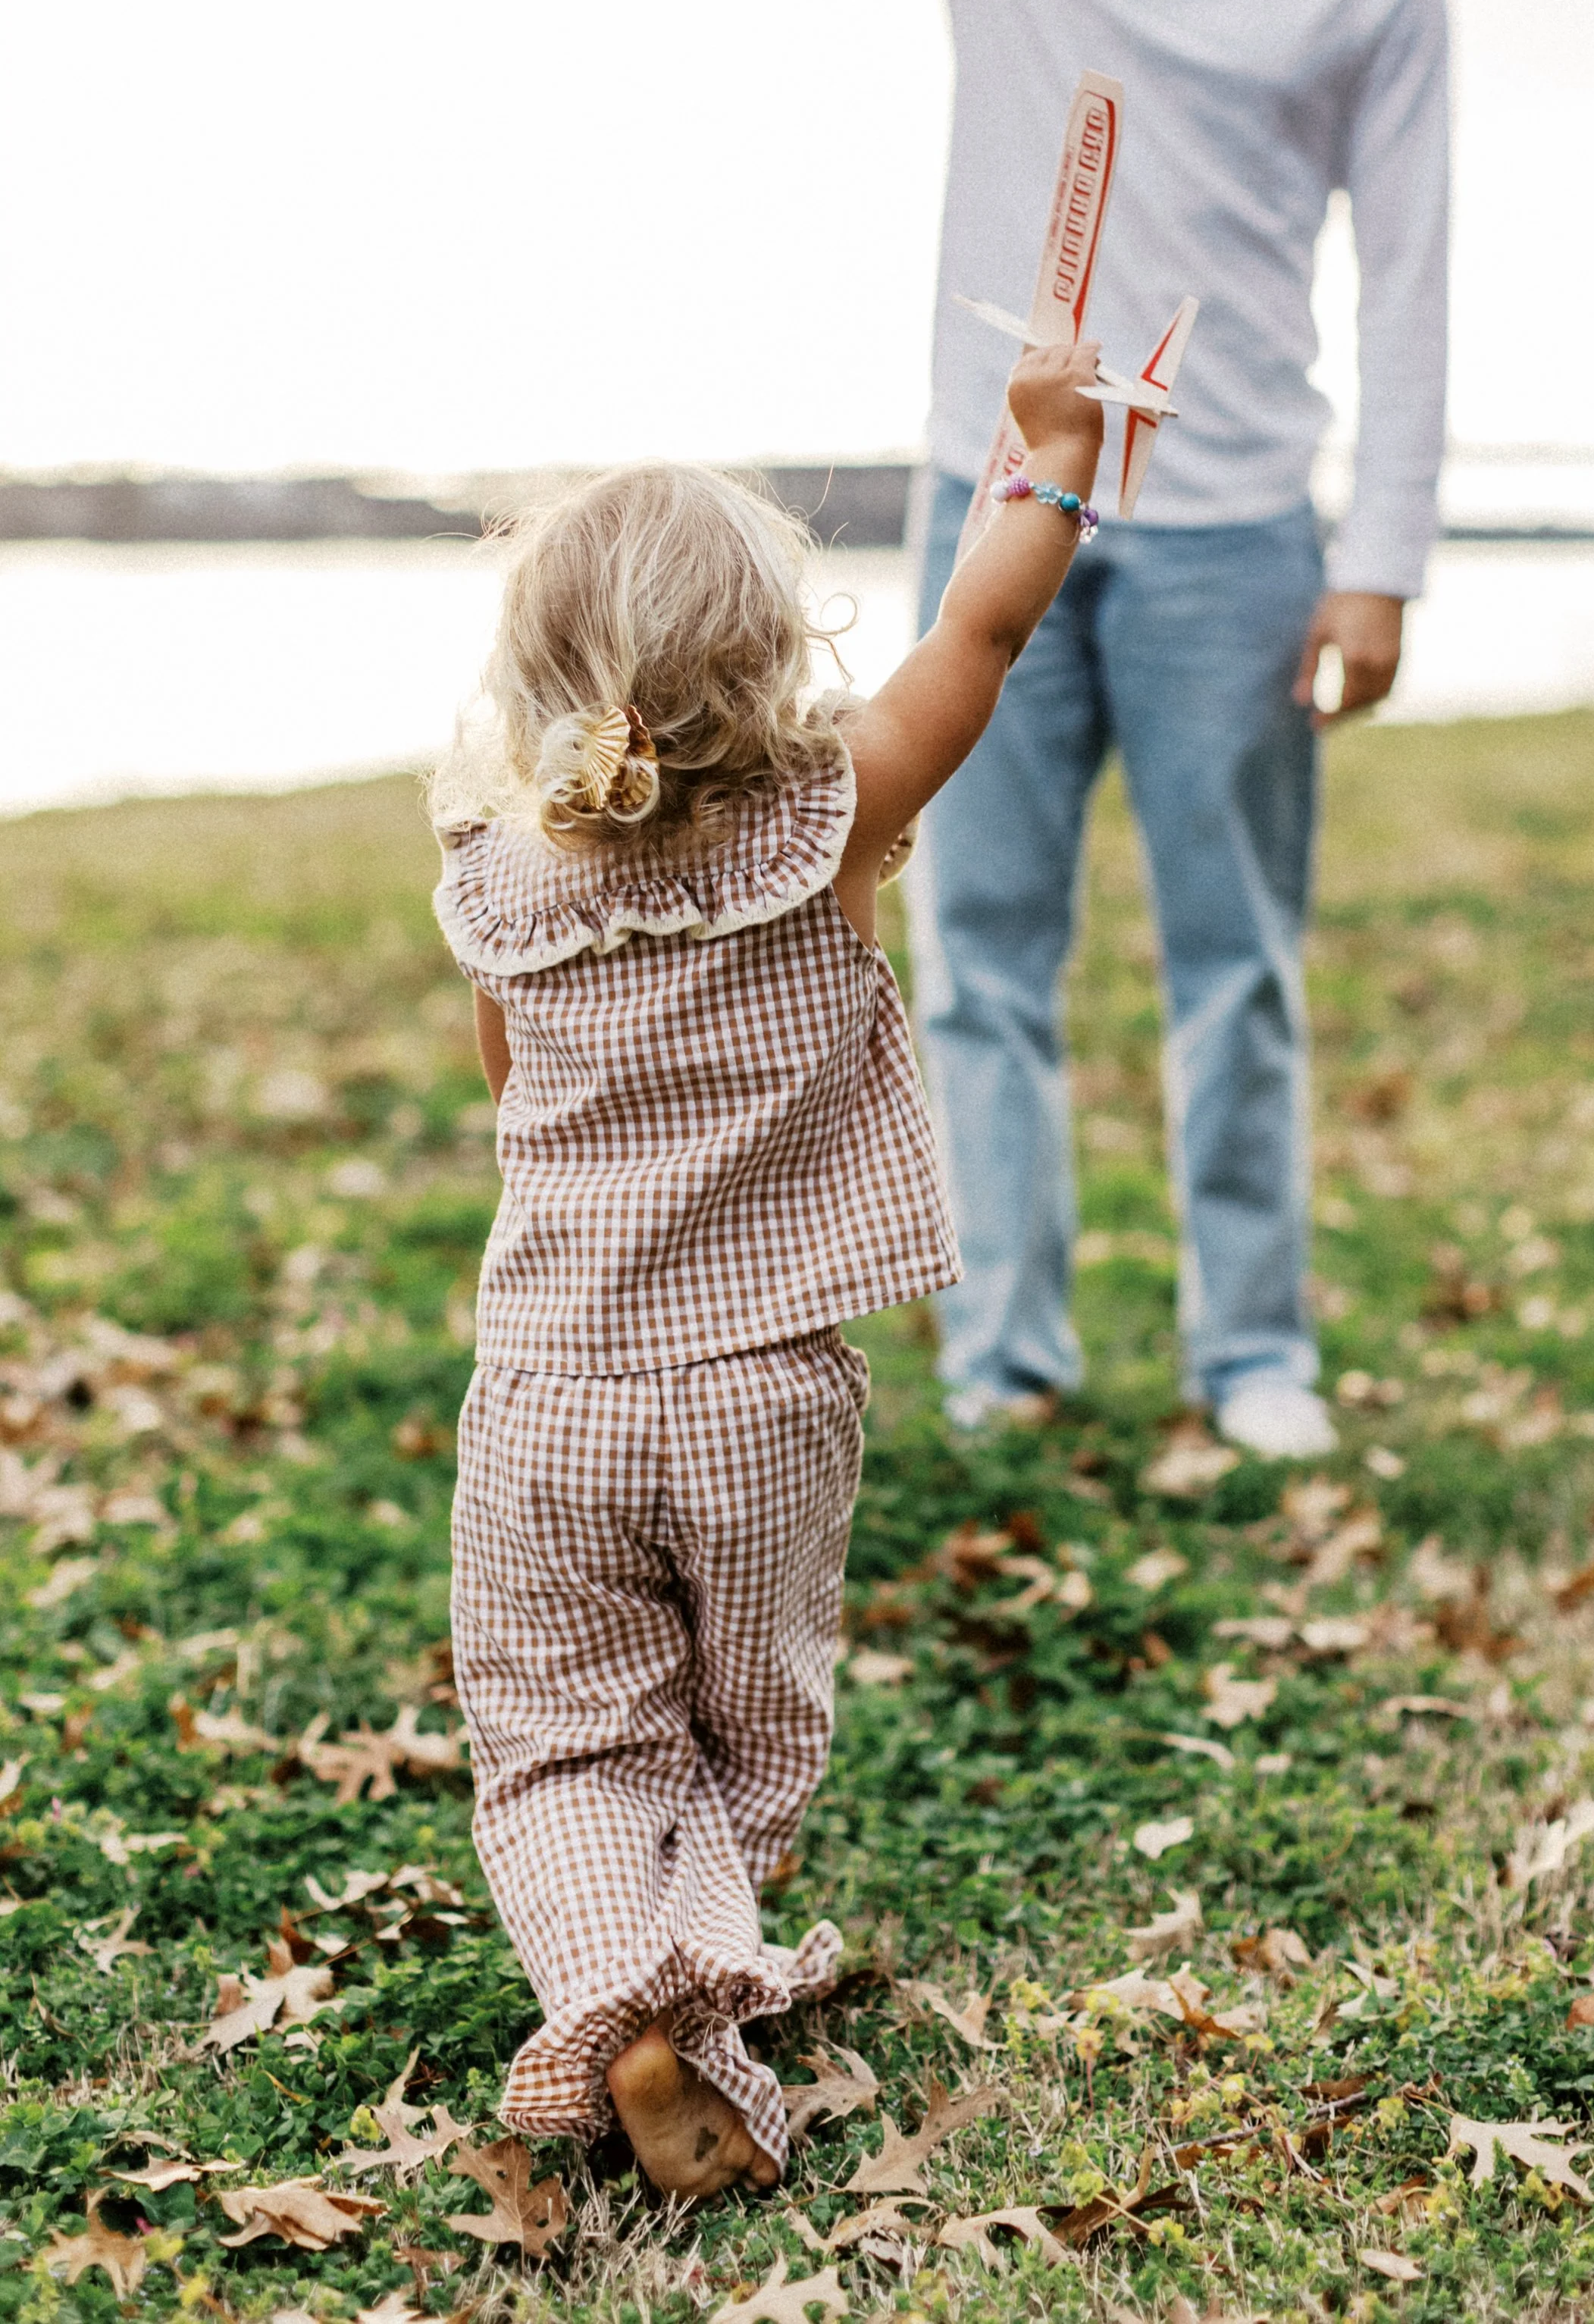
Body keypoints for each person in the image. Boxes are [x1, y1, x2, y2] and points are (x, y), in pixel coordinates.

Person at [501, 0, 1452, 1460]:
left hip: (1235, 527)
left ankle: (1250, 1354)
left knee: (1235, 963)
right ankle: (1005, 1352)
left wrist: (1380, 557)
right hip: (992, 510)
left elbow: (1410, 267)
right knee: (973, 958)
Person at [431, 346, 1106, 2194]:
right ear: (766, 647)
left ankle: (621, 2005)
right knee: (741, 1734)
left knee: (562, 1743)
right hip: (760, 1395)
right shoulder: (831, 825)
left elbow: (510, 1092)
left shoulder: (500, 883)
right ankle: (699, 2004)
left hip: (548, 1400)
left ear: (539, 673)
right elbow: (976, 640)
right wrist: (1049, 460)